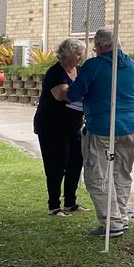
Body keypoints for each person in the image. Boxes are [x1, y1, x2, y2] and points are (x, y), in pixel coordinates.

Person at [69, 27, 134, 236]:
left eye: (95, 46)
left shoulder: (93, 66)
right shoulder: (132, 65)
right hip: (130, 126)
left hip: (102, 127)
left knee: (96, 176)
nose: (94, 50)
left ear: (101, 46)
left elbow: (74, 94)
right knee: (121, 173)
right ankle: (121, 216)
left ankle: (111, 223)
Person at [35, 38, 87, 217]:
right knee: (56, 164)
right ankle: (54, 205)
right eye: (77, 54)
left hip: (73, 125)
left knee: (76, 161)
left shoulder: (78, 71)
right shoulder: (55, 72)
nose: (80, 58)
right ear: (67, 54)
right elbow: (62, 95)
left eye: (81, 54)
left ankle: (70, 202)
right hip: (51, 126)